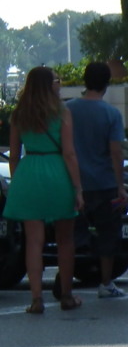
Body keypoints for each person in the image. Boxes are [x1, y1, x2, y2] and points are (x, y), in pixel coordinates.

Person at [3, 66, 84, 313]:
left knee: (33, 242)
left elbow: (14, 154)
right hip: (57, 172)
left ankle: (36, 298)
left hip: (29, 173)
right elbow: (69, 152)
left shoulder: (19, 114)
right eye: (55, 81)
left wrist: (18, 182)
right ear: (49, 85)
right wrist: (78, 188)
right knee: (65, 240)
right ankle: (67, 296)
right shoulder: (61, 112)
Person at [66, 61, 128, 299]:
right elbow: (116, 152)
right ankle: (105, 282)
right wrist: (121, 185)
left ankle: (67, 281)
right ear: (106, 84)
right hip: (104, 183)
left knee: (71, 235)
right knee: (107, 233)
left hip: (74, 182)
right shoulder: (111, 114)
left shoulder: (68, 110)